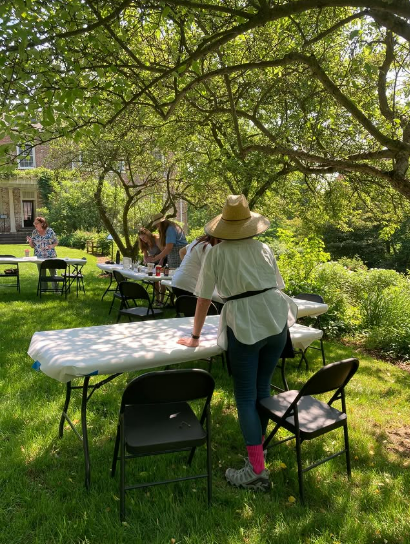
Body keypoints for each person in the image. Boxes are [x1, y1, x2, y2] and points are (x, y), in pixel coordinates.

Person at [177, 195, 297, 492]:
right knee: (261, 390)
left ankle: (257, 469)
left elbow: (203, 298)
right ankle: (259, 454)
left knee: (245, 396)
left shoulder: (216, 254)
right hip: (276, 319)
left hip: (245, 322)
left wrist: (194, 337)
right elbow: (277, 286)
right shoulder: (264, 248)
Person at [171, 234, 220, 300]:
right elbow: (209, 272)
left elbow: (181, 251)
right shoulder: (207, 247)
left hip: (178, 283)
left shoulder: (197, 242)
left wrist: (190, 268)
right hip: (188, 286)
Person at [27, 216, 59, 288]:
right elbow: (32, 246)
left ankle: (56, 290)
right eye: (34, 223)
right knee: (42, 274)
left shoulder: (50, 231)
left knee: (53, 273)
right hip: (39, 257)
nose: (35, 225)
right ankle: (43, 290)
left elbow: (56, 242)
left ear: (42, 223)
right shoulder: (34, 232)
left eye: (36, 223)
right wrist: (30, 241)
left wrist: (51, 246)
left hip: (50, 256)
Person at [138, 227, 165, 307]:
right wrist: (145, 261)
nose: (143, 240)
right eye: (141, 238)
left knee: (162, 280)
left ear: (147, 234)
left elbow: (164, 251)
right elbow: (145, 256)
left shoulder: (156, 239)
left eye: (144, 237)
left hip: (163, 259)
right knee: (155, 280)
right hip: (154, 261)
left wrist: (160, 263)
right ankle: (157, 299)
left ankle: (162, 300)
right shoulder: (143, 243)